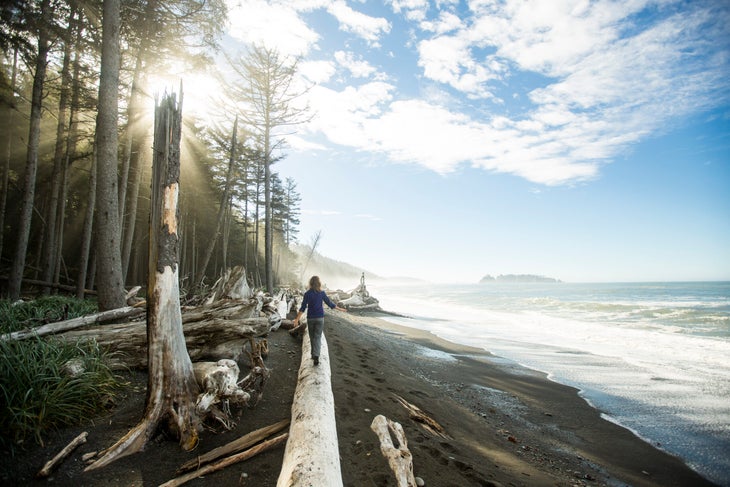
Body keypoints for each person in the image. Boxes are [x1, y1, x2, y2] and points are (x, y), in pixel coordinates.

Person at [293, 275, 346, 365]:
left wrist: (296, 319)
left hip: (311, 318)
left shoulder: (307, 294)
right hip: (320, 318)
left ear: (310, 283)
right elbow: (330, 303)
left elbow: (302, 307)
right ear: (319, 283)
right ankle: (315, 355)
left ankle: (314, 355)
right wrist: (340, 309)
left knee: (312, 337)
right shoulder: (322, 293)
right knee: (317, 337)